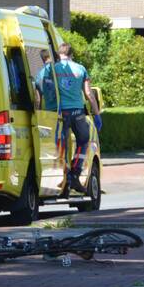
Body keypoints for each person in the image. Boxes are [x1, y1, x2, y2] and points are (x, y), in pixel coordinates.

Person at [54, 42, 100, 193]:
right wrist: (97, 114)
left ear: (59, 53)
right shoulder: (81, 69)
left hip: (61, 113)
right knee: (83, 141)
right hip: (78, 112)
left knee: (61, 145)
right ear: (71, 54)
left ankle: (64, 175)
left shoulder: (53, 69)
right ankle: (75, 172)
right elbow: (89, 94)